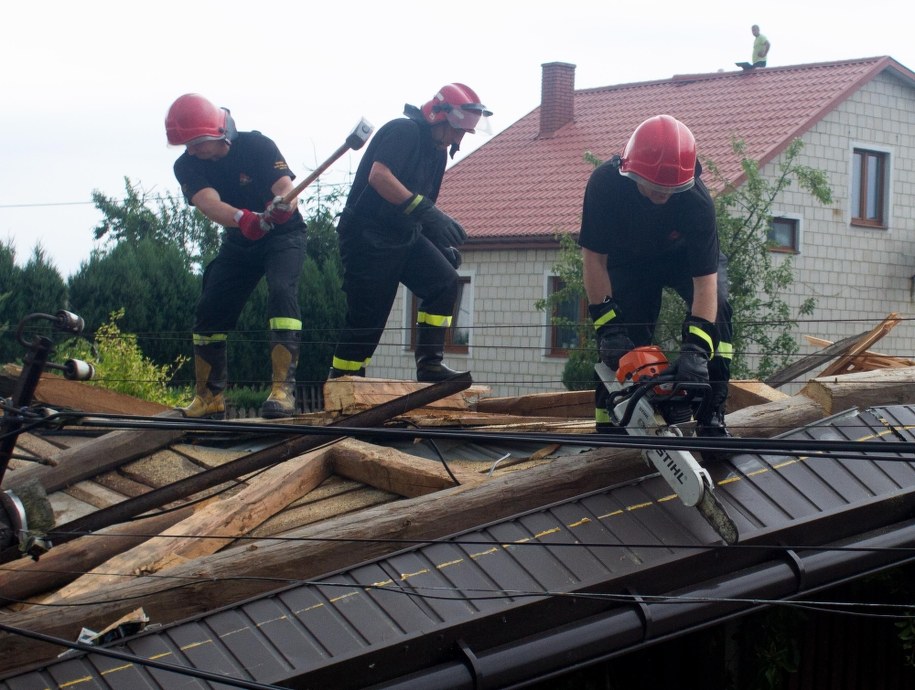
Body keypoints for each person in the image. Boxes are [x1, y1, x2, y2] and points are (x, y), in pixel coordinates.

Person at [578, 114, 735, 444]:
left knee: (719, 310)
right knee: (623, 338)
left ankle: (712, 414)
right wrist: (608, 327)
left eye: (671, 190)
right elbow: (594, 260)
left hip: (683, 258)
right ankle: (610, 423)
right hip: (628, 259)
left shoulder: (696, 201)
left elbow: (706, 282)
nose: (662, 195)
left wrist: (695, 351)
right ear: (630, 170)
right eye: (654, 187)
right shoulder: (604, 185)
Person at [327, 84, 492, 382]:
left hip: (404, 237)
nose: (459, 138)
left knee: (444, 282)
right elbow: (379, 176)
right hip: (368, 238)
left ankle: (430, 366)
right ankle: (344, 381)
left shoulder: (437, 154)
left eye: (464, 133)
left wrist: (437, 244)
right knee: (367, 321)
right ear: (437, 117)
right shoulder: (403, 132)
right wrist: (428, 213)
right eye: (457, 130)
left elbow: (420, 208)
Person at [165, 93, 307, 420]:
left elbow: (286, 189)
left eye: (198, 142)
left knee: (282, 292)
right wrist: (243, 219)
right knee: (210, 308)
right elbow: (208, 202)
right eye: (186, 144)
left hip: (285, 236)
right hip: (240, 239)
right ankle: (209, 398)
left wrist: (283, 207)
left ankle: (282, 392)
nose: (193, 150)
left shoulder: (258, 146)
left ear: (218, 133)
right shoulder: (186, 165)